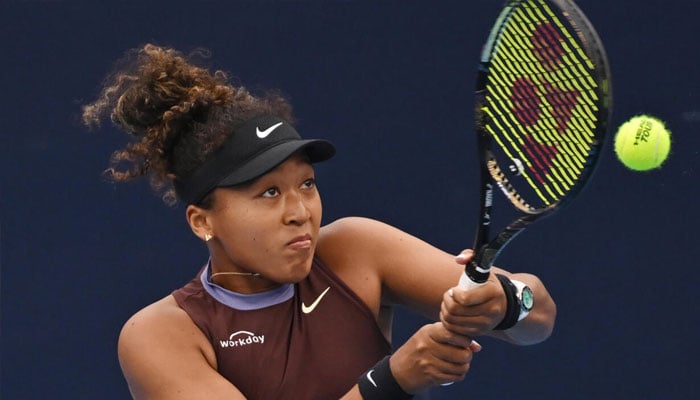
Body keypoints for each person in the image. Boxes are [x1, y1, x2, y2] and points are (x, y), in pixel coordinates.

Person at [83, 44, 556, 400]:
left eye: (306, 185)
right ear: (202, 221)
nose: (299, 211)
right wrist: (392, 380)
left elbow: (540, 318)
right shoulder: (161, 335)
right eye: (268, 193)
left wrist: (505, 301)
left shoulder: (356, 249)